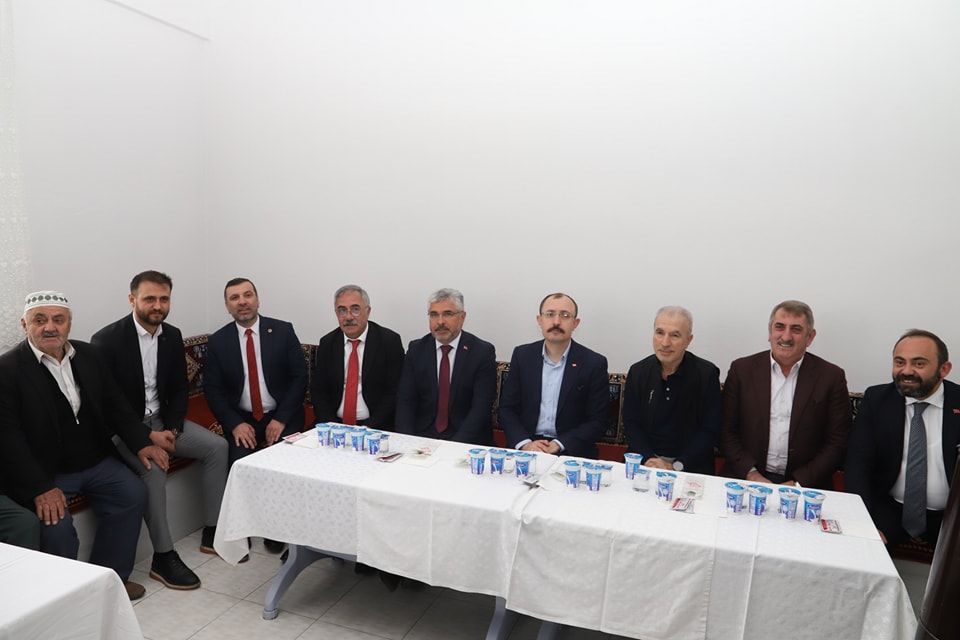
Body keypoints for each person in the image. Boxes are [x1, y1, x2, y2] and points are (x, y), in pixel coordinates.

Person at [0, 291, 170, 601]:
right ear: (25, 325)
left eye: (58, 319)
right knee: (54, 524)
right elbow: (8, 438)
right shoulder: (8, 370)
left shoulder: (89, 355)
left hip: (96, 460)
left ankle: (108, 582)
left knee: (132, 494)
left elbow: (115, 406)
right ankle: (65, 598)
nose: (50, 327)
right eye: (40, 320)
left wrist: (141, 442)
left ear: (69, 323)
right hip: (48, 472)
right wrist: (40, 487)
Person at [92, 271, 232, 590]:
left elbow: (180, 389)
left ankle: (213, 531)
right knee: (153, 470)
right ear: (132, 300)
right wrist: (147, 438)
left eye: (164, 299)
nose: (158, 305)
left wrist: (171, 428)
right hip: (124, 430)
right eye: (150, 298)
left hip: (162, 423)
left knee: (217, 447)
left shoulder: (171, 335)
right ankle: (163, 556)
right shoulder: (107, 340)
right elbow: (108, 406)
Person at [845, 330, 960, 549]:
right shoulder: (877, 400)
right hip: (889, 507)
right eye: (900, 362)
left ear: (944, 369)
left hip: (951, 515)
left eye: (919, 363)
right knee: (858, 551)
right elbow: (858, 465)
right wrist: (862, 520)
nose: (906, 371)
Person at [720, 300, 851, 489]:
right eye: (779, 327)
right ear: (770, 332)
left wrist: (798, 483)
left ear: (810, 337)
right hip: (745, 477)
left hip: (807, 485)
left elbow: (837, 442)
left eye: (796, 329)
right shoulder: (741, 370)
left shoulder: (831, 377)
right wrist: (751, 474)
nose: (786, 336)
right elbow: (725, 430)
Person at [204, 278, 308, 466]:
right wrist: (235, 424)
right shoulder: (218, 342)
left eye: (248, 295)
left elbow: (299, 378)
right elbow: (213, 390)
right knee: (240, 466)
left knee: (286, 463)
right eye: (234, 298)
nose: (242, 302)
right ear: (227, 306)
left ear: (257, 300)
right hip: (242, 420)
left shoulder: (283, 331)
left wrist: (280, 419)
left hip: (282, 415)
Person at [498, 293, 609, 459]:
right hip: (526, 447)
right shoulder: (522, 356)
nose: (556, 322)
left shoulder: (593, 363)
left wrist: (559, 444)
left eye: (565, 315)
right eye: (550, 314)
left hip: (571, 450)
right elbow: (507, 409)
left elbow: (599, 421)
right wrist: (525, 444)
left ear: (575, 323)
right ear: (539, 320)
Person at [622, 306, 722, 475]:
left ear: (688, 340)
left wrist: (677, 465)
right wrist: (648, 459)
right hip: (644, 462)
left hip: (689, 467)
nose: (665, 343)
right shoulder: (638, 372)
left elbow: (709, 430)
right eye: (659, 333)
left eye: (675, 335)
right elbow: (631, 423)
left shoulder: (706, 374)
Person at [395, 288, 497, 445]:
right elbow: (405, 401)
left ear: (462, 317)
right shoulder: (416, 350)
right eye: (434, 315)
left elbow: (481, 408)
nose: (440, 322)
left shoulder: (481, 352)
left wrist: (453, 447)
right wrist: (406, 441)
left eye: (448, 314)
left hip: (467, 439)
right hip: (423, 436)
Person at [310, 285, 405, 429]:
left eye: (355, 309)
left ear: (368, 311)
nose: (348, 317)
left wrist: (369, 427)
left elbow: (394, 392)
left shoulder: (389, 341)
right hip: (334, 424)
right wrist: (332, 426)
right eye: (342, 310)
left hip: (376, 426)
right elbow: (319, 391)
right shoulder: (328, 343)